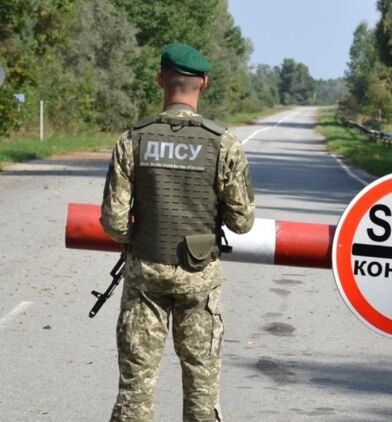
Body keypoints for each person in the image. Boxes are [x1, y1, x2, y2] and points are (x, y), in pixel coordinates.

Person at [100, 43, 255, 421]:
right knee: (202, 383)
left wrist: (140, 238)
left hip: (145, 273)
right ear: (204, 83)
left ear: (160, 80)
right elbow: (242, 221)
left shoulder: (132, 140)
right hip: (199, 278)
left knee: (135, 386)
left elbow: (114, 221)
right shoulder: (224, 144)